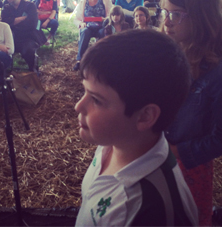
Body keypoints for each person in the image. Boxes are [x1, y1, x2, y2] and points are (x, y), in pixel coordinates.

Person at [74, 29, 198, 226]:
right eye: (84, 91)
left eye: (96, 100)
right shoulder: (115, 141)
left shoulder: (153, 210)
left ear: (145, 116)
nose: (78, 106)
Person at [163, 0, 222, 226]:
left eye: (176, 15)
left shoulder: (218, 71)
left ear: (201, 17)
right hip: (154, 156)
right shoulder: (169, 53)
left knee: (185, 219)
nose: (166, 21)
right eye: (165, 12)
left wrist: (179, 152)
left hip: (189, 170)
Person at [1, 0, 43, 73]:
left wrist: (13, 22)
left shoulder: (30, 5)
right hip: (12, 38)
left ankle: (33, 71)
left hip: (28, 37)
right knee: (0, 49)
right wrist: (22, 19)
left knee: (28, 50)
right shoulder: (6, 7)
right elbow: (5, 24)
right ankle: (4, 72)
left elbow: (32, 24)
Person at [73, 0, 113, 71]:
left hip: (101, 25)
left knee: (103, 32)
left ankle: (101, 60)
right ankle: (80, 60)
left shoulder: (106, 0)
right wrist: (81, 23)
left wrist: (105, 19)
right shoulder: (84, 1)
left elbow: (111, 16)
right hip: (88, 26)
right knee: (85, 32)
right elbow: (76, 19)